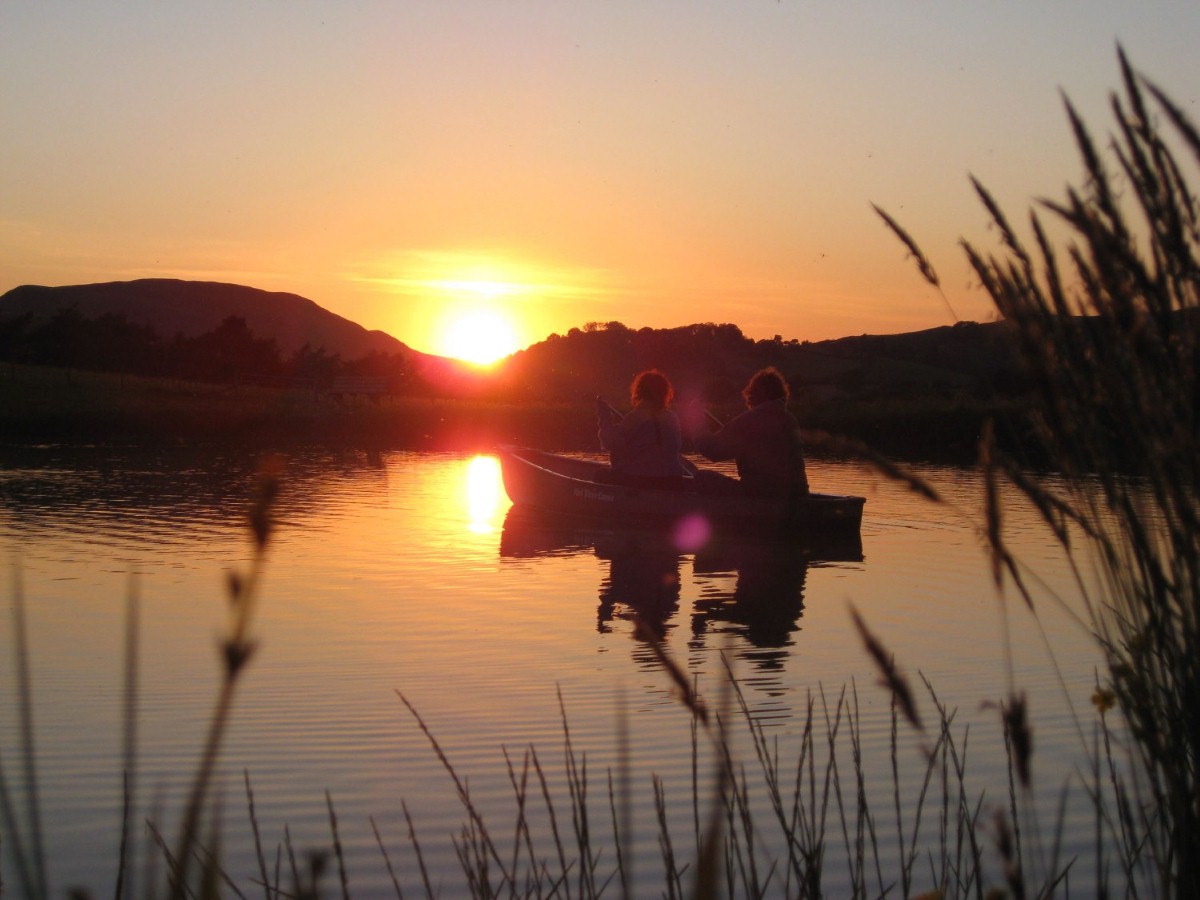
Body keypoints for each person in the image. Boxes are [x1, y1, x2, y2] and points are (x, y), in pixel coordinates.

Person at [693, 367, 809, 496]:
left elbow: (712, 451)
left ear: (753, 394)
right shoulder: (790, 419)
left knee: (701, 476)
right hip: (798, 494)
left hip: (761, 494)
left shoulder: (749, 420)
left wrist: (697, 423)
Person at [597, 369, 690, 479]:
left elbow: (609, 443)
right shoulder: (672, 418)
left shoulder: (635, 417)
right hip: (672, 478)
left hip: (639, 478)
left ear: (639, 391)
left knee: (600, 475)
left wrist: (605, 418)